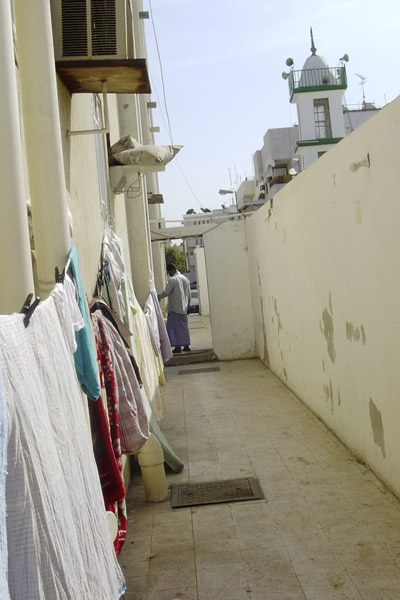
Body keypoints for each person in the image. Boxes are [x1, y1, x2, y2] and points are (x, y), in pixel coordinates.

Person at [157, 263, 191, 354]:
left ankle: (177, 346)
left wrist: (158, 296)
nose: (169, 274)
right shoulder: (185, 279)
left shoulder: (172, 280)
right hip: (184, 308)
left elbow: (167, 292)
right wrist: (188, 305)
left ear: (172, 270)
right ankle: (186, 345)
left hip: (174, 308)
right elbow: (189, 294)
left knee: (174, 328)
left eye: (169, 272)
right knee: (184, 327)